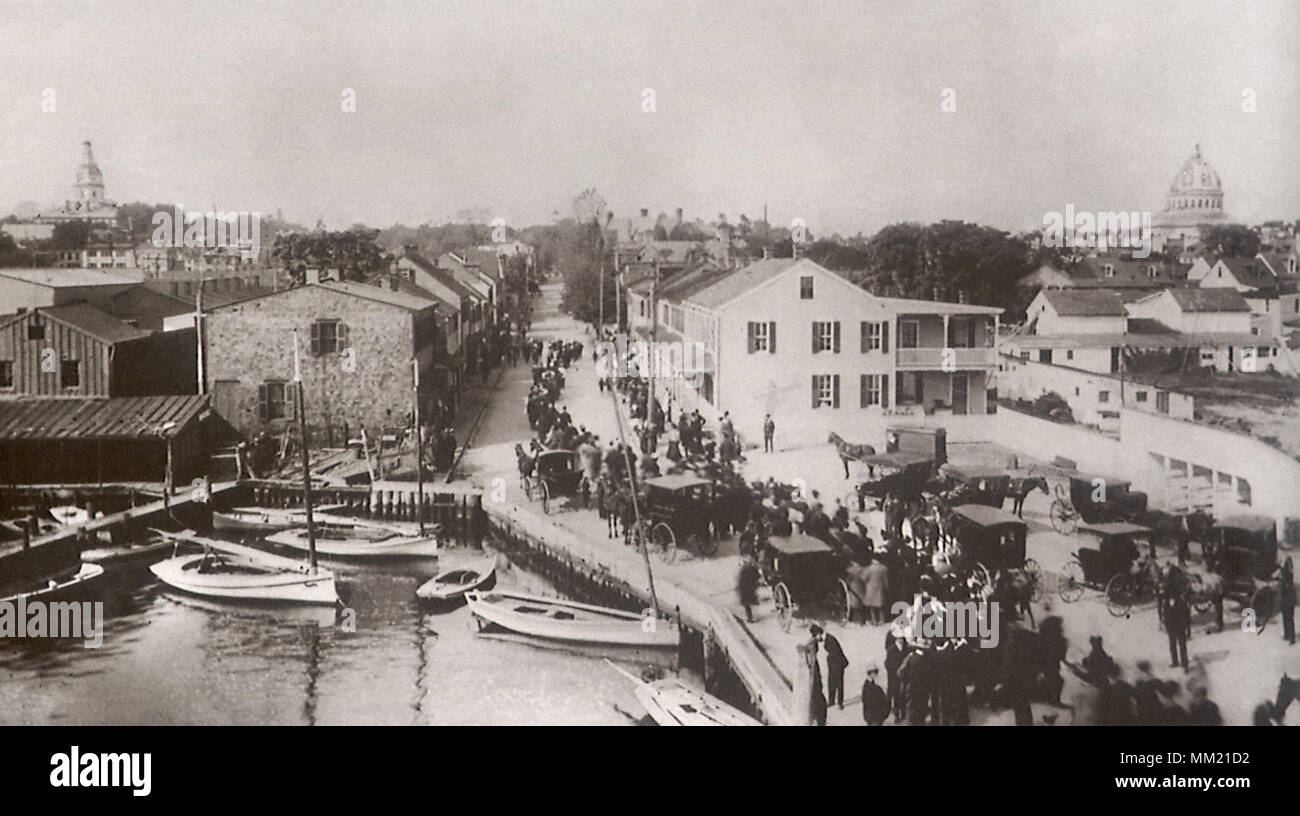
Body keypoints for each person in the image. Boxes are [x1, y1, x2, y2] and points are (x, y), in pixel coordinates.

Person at [813, 625, 849, 710]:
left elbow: (837, 653)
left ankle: (840, 702)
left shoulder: (830, 640)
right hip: (833, 664)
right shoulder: (827, 639)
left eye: (816, 636)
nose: (817, 639)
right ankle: (831, 700)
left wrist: (830, 659)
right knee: (831, 682)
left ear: (819, 634)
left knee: (839, 683)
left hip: (838, 664)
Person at [1164, 591, 1191, 671]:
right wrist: (1166, 625)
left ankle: (1185, 663)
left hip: (1180, 627)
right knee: (1173, 645)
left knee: (1182, 646)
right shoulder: (1167, 604)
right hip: (1171, 627)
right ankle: (1175, 661)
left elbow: (1186, 615)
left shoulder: (1181, 604)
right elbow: (1165, 615)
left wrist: (1186, 626)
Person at [1278, 557, 1296, 645]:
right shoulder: (1287, 575)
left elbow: (1285, 585)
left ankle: (1291, 637)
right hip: (1287, 600)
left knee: (1288, 618)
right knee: (1286, 618)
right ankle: (1287, 635)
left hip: (1288, 600)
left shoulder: (1287, 577)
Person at [737, 557, 759, 623]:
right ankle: (750, 617)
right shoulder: (752, 569)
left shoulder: (743, 571)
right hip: (750, 588)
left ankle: (750, 618)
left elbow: (741, 581)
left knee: (746, 604)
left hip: (745, 589)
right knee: (747, 604)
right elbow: (756, 577)